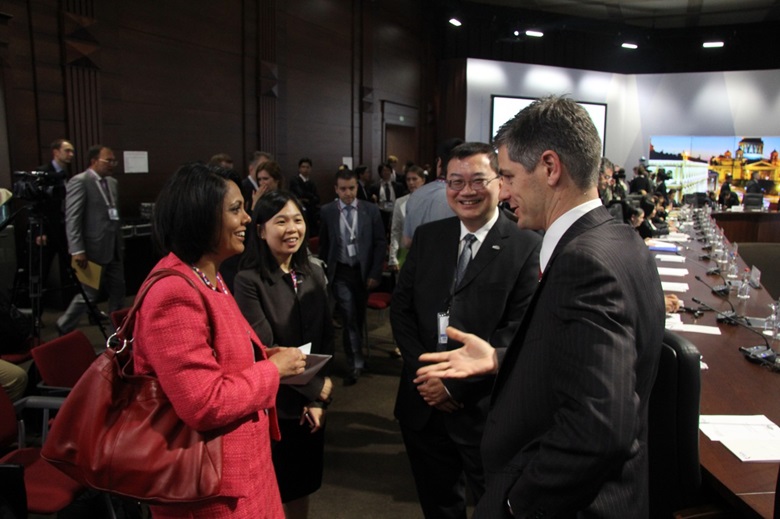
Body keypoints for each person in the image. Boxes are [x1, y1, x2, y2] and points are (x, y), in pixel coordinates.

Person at [415, 96, 665, 518]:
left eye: (508, 176)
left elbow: (599, 428)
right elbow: (583, 360)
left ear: (550, 167)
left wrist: (516, 504)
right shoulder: (621, 240)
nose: (503, 192)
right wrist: (499, 358)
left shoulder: (583, 263)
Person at [133, 163, 306, 518]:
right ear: (201, 216)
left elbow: (218, 356)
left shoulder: (207, 274)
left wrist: (261, 356)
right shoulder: (174, 292)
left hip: (240, 468)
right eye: (236, 209)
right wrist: (272, 370)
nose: (247, 218)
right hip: (210, 485)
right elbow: (204, 403)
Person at [392, 142, 541, 519]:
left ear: (500, 183)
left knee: (495, 507)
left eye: (477, 180)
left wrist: (453, 385)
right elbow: (402, 311)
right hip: (423, 404)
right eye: (455, 182)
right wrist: (428, 376)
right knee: (438, 506)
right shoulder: (429, 236)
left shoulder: (527, 245)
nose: (466, 191)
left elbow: (518, 330)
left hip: (483, 411)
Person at [234, 190, 334, 519]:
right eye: (281, 221)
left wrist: (317, 400)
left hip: (310, 406)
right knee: (273, 490)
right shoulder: (248, 281)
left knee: (301, 487)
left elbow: (325, 337)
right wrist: (315, 388)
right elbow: (266, 350)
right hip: (275, 406)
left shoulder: (313, 273)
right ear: (261, 230)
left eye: (297, 220)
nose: (292, 229)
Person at [318, 168, 386, 386]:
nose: (348, 193)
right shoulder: (327, 211)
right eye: (343, 189)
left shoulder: (370, 210)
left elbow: (380, 243)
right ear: (336, 189)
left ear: (357, 187)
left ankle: (359, 355)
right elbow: (324, 244)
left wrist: (375, 272)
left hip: (362, 272)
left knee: (358, 316)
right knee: (348, 316)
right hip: (340, 272)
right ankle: (355, 362)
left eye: (351, 188)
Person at [56, 145, 125, 335]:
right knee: (89, 294)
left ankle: (117, 333)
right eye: (108, 160)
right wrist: (77, 250)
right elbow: (73, 219)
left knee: (118, 292)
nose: (112, 164)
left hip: (114, 248)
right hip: (91, 249)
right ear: (94, 161)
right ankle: (64, 325)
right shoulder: (80, 182)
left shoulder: (112, 183)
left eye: (114, 161)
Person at [402, 138, 463, 248]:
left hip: (419, 257)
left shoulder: (415, 196)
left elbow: (407, 242)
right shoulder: (464, 198)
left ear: (439, 162)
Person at [34, 139, 75, 303]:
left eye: (72, 151)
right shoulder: (43, 173)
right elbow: (37, 204)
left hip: (64, 227)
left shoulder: (67, 174)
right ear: (56, 152)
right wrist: (40, 231)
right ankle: (36, 308)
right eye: (67, 151)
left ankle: (72, 302)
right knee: (42, 269)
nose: (71, 154)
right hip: (48, 228)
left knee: (71, 268)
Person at [388, 165, 424, 270]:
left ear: (423, 180)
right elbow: (395, 231)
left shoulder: (431, 201)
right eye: (408, 179)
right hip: (405, 252)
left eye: (414, 179)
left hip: (425, 252)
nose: (411, 182)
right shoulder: (400, 202)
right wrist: (392, 257)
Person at [289, 158, 321, 236]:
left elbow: (317, 198)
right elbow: (300, 194)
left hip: (311, 214)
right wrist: (309, 197)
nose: (305, 169)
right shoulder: (295, 180)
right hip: (299, 211)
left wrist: (308, 198)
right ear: (299, 168)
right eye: (303, 167)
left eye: (307, 167)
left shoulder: (312, 183)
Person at [370, 162, 404, 234]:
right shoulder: (374, 187)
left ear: (391, 172)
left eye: (388, 170)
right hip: (381, 213)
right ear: (380, 173)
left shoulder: (398, 186)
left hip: (394, 212)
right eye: (384, 170)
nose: (386, 172)